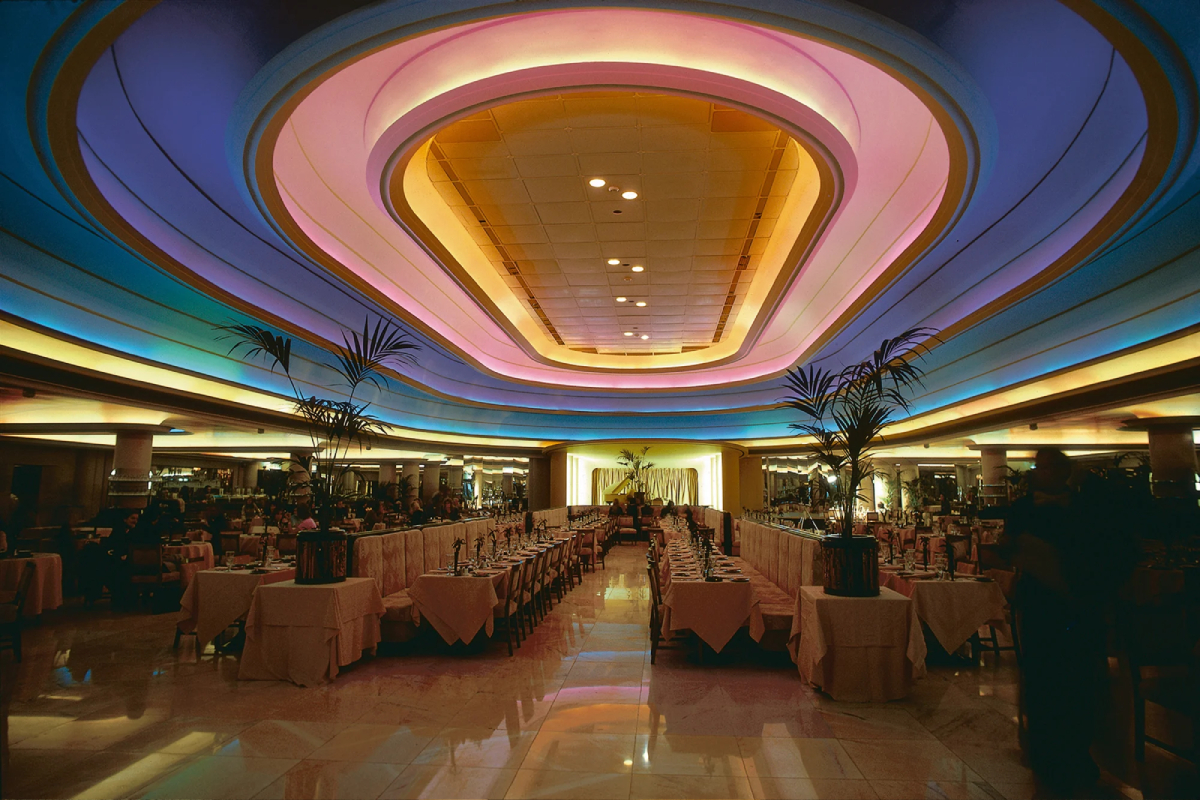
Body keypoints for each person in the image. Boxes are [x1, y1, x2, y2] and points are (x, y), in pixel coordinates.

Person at [1003, 448, 1133, 794]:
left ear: (1063, 472)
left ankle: (1077, 754)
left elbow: (1101, 551)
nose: (1039, 473)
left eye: (1046, 468)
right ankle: (1047, 753)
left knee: (1078, 681)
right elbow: (1009, 547)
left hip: (1076, 608)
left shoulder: (1087, 509)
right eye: (1038, 467)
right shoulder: (1023, 509)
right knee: (1044, 680)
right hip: (1041, 609)